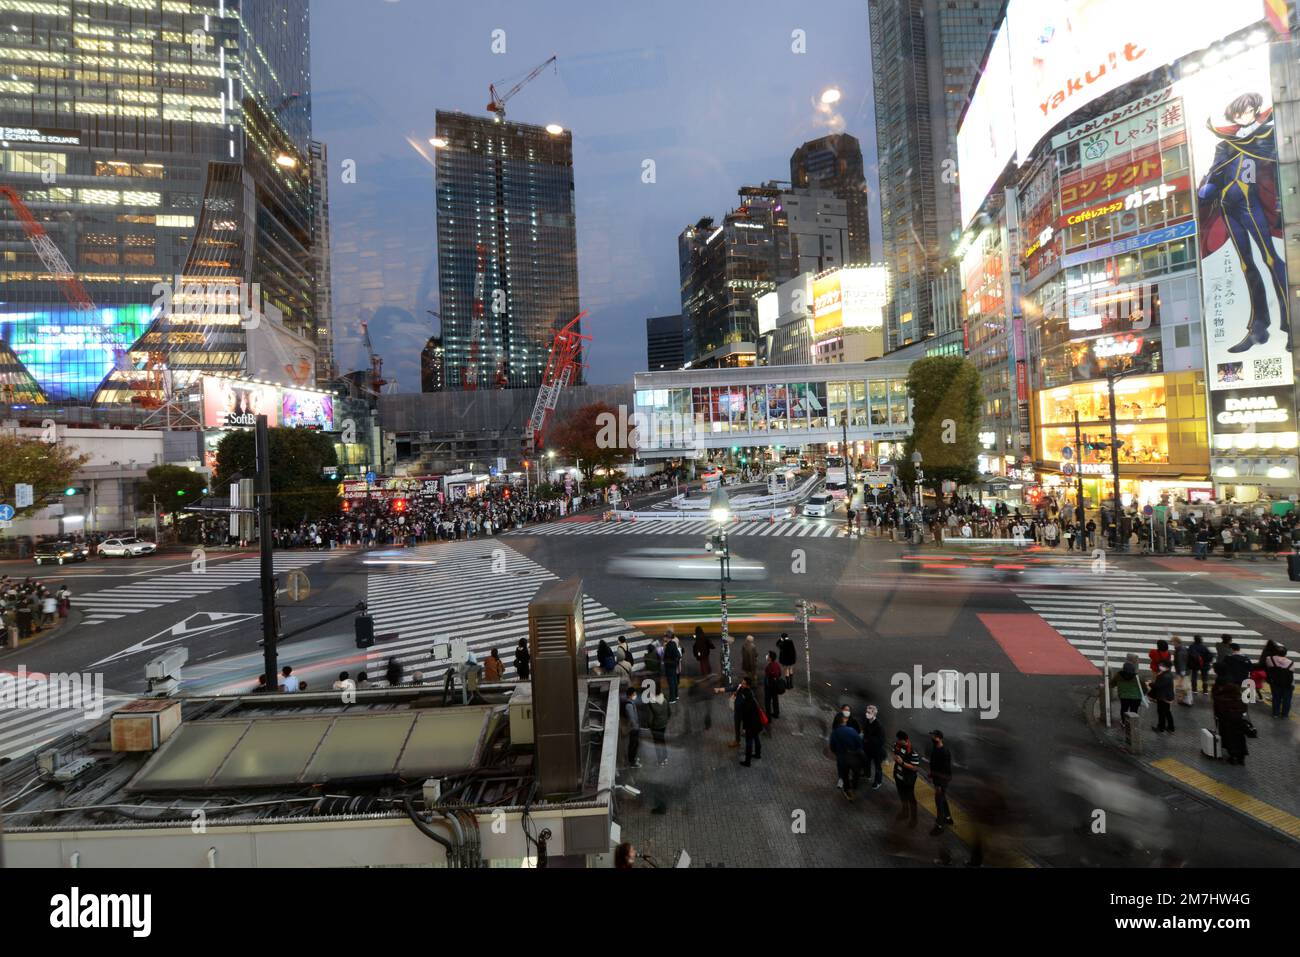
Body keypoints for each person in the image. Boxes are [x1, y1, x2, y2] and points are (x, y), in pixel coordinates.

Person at [1212, 677, 1250, 765]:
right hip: (1239, 722)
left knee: (1230, 740)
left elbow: (1218, 711)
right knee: (1240, 739)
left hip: (1227, 723)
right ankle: (1242, 758)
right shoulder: (1240, 699)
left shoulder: (1222, 699)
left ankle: (1233, 757)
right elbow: (1244, 710)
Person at [828, 714, 864, 800]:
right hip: (854, 757)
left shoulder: (834, 733)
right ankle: (854, 786)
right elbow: (859, 744)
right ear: (843, 721)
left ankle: (847, 791)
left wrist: (838, 753)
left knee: (845, 775)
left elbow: (832, 747)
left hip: (842, 758)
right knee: (856, 773)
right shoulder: (851, 730)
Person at [927, 730, 954, 835]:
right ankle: (948, 818)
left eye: (934, 737)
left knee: (939, 802)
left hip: (941, 781)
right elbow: (935, 764)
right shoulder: (936, 748)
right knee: (942, 799)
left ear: (939, 738)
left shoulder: (944, 752)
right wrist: (932, 773)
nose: (932, 738)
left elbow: (945, 771)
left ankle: (939, 825)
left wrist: (938, 784)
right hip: (937, 778)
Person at [892, 730, 920, 828]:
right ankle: (905, 812)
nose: (898, 742)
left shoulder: (912, 751)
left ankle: (914, 819)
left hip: (908, 779)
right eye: (897, 740)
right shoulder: (897, 744)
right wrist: (895, 757)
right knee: (902, 795)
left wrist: (902, 763)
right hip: (899, 777)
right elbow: (894, 752)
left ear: (905, 740)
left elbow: (915, 767)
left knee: (911, 798)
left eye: (900, 741)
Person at [735, 678, 764, 767]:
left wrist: (744, 728)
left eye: (743, 683)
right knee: (756, 738)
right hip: (757, 722)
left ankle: (747, 761)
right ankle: (758, 754)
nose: (741, 684)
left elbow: (745, 716)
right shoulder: (751, 694)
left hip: (750, 724)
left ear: (747, 685)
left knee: (749, 742)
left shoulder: (745, 699)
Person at [1262, 642, 1294, 718]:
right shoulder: (1290, 663)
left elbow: (1267, 666)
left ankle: (1275, 713)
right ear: (1285, 653)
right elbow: (1291, 672)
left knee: (1276, 697)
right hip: (1287, 683)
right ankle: (1284, 715)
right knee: (1287, 699)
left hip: (1275, 682)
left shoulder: (1269, 659)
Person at [646, 680, 671, 767]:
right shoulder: (664, 698)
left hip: (655, 726)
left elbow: (650, 717)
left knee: (657, 743)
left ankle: (660, 761)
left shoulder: (651, 702)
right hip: (663, 724)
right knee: (662, 741)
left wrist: (649, 725)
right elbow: (669, 712)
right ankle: (665, 758)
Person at [1150, 662, 1176, 734]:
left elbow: (1157, 685)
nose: (1160, 666)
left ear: (1167, 667)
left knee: (1161, 712)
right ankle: (1170, 727)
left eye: (1162, 665)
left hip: (1163, 697)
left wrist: (1150, 684)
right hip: (1166, 696)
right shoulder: (1167, 674)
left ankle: (1161, 728)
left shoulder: (1165, 676)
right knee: (1167, 712)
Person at [622, 684, 642, 768]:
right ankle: (632, 762)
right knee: (633, 745)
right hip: (634, 728)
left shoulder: (630, 702)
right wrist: (636, 726)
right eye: (634, 694)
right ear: (630, 695)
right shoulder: (629, 705)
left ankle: (632, 759)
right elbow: (631, 718)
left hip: (635, 727)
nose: (635, 695)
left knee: (635, 744)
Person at [762, 650, 783, 723]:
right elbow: (779, 673)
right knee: (775, 699)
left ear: (770, 658)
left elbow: (767, 676)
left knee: (767, 702)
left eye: (768, 655)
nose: (767, 656)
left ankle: (768, 717)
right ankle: (776, 713)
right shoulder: (776, 664)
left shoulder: (769, 666)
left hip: (769, 687)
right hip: (775, 686)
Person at [662, 632, 682, 703]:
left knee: (671, 682)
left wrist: (664, 660)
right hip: (674, 665)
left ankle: (672, 698)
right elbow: (678, 655)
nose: (664, 638)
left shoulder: (669, 645)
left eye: (665, 637)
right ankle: (676, 695)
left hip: (669, 666)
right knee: (675, 681)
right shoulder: (673, 644)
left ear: (668, 637)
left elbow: (666, 657)